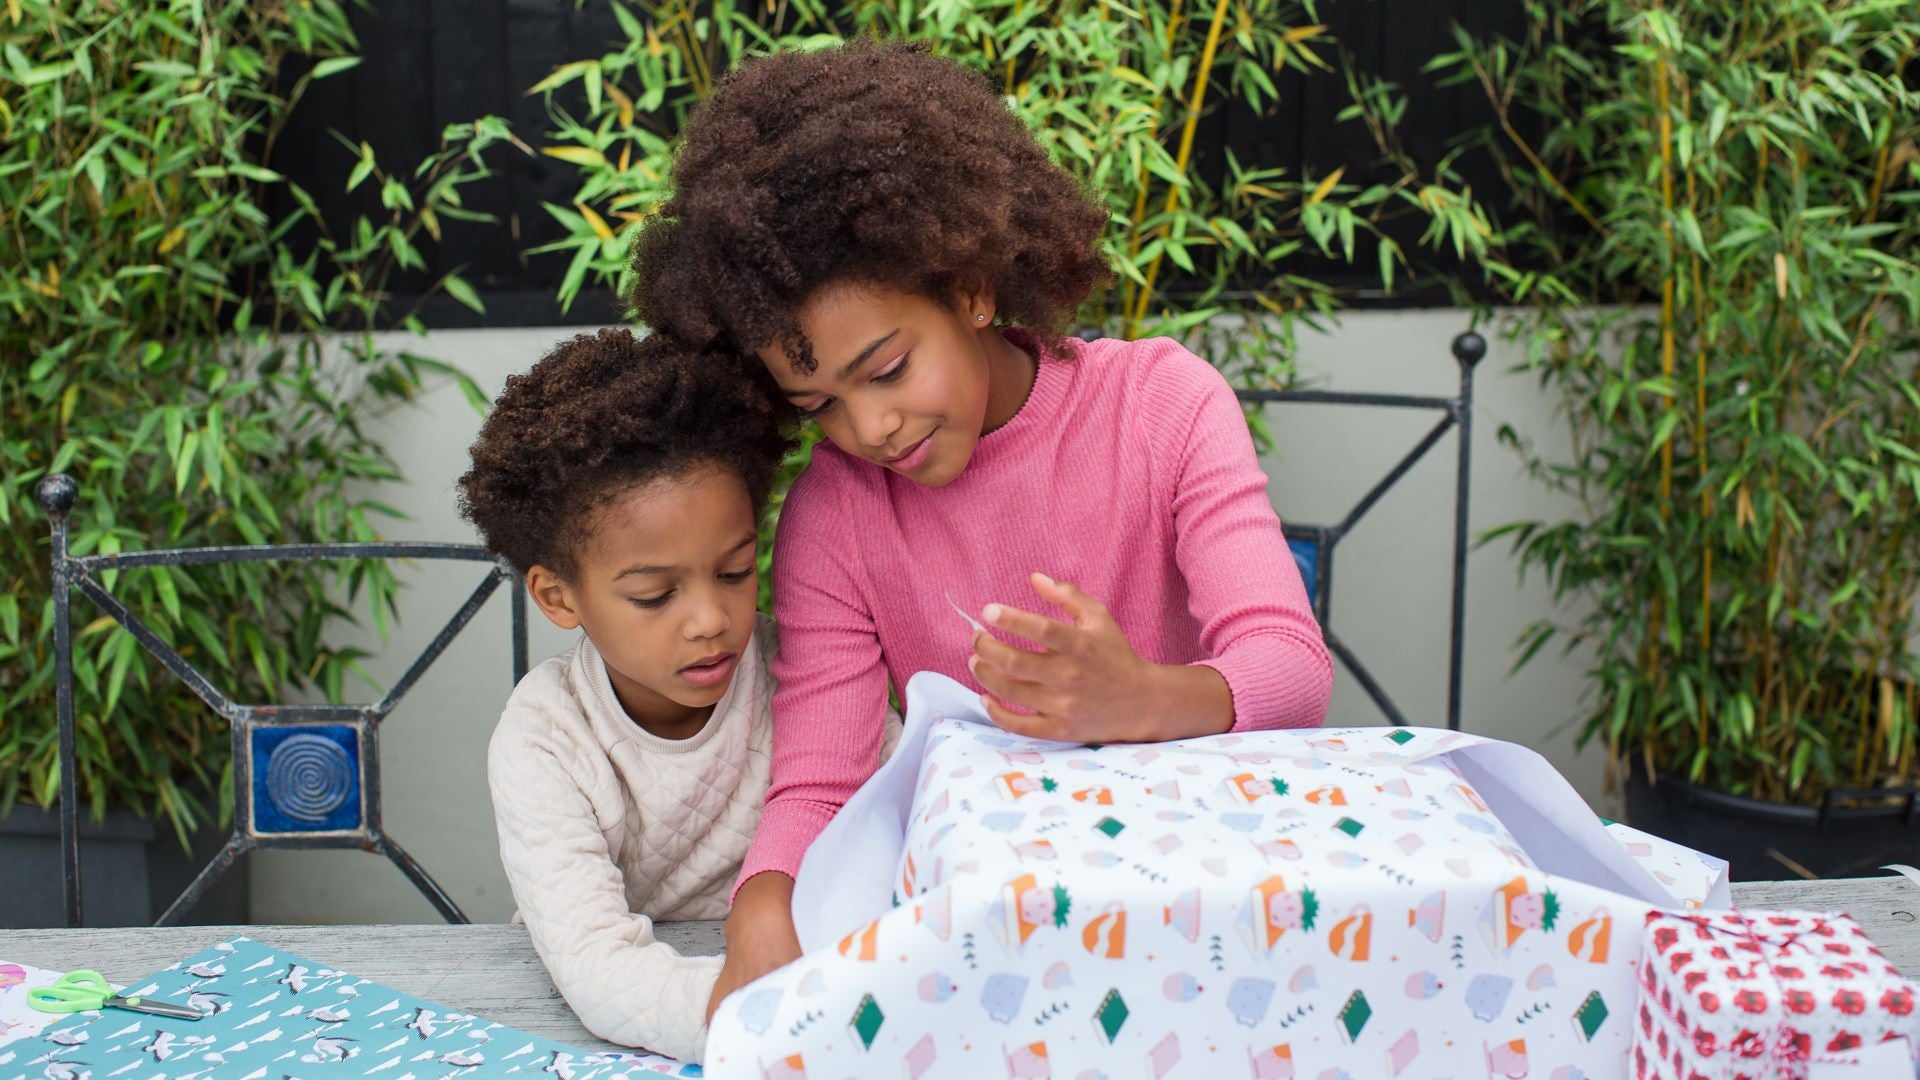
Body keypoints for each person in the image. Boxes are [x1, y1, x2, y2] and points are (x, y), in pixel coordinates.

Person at [625, 40, 1334, 1020]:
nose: (867, 428)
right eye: (819, 402)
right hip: (1000, 951)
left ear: (970, 290)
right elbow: (821, 786)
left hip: (1209, 928)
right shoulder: (838, 510)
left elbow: (1291, 669)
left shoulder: (1162, 405)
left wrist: (1135, 698)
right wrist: (761, 907)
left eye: (885, 369)